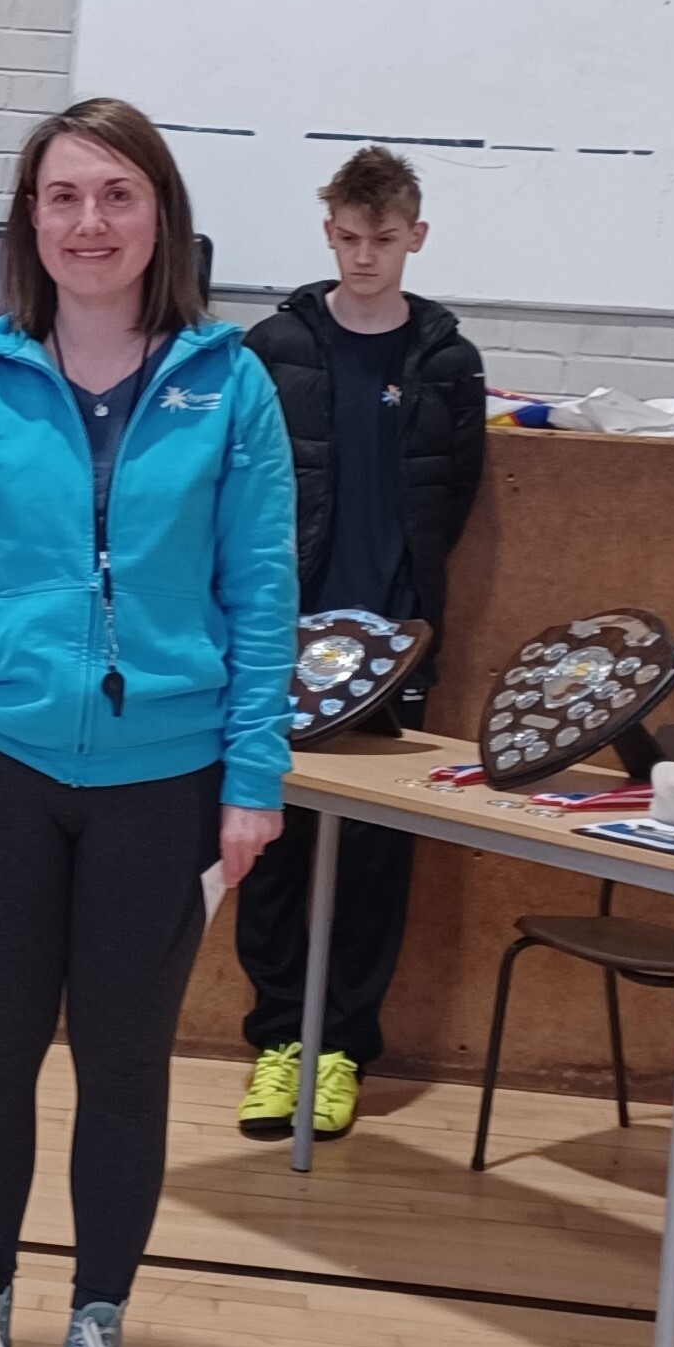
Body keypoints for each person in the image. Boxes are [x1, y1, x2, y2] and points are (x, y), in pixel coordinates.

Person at [0, 98, 297, 1347]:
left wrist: (250, 778)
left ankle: (98, 1332)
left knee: (123, 1066)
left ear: (159, 218)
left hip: (166, 785)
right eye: (62, 197)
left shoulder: (229, 384)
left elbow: (261, 592)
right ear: (30, 222)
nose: (88, 223)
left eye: (116, 195)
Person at [234, 145, 486, 1141]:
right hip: (278, 641)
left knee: (377, 855)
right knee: (268, 843)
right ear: (327, 230)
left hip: (394, 649)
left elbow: (450, 497)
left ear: (414, 237)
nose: (365, 255)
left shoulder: (447, 361)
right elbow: (242, 491)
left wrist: (407, 613)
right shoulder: (274, 347)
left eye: (385, 239)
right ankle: (277, 1045)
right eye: (349, 236)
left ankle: (340, 1047)